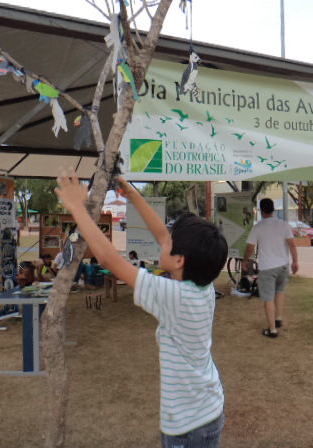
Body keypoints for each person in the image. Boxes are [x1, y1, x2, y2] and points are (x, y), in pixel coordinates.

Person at [55, 169, 228, 447]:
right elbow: (161, 235)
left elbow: (110, 260)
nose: (163, 239)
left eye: (171, 240)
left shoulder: (174, 296)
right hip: (207, 408)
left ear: (180, 260)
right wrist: (133, 195)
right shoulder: (202, 285)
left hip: (188, 424)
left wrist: (78, 209)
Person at [242, 198, 298, 339]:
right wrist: (295, 262)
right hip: (283, 266)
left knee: (268, 299)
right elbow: (292, 245)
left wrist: (245, 260)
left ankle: (272, 330)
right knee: (279, 292)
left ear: (261, 211)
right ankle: (278, 318)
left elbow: (250, 247)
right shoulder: (284, 225)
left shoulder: (258, 227)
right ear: (273, 209)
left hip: (267, 268)